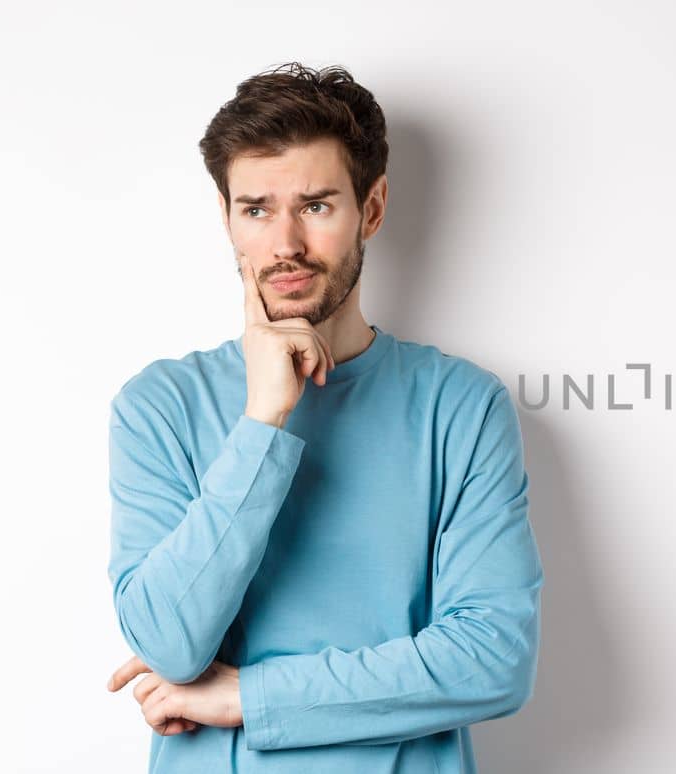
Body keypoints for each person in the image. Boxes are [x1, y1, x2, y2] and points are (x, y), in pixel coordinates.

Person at [102, 62, 543, 773]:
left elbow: (493, 659)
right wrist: (263, 419)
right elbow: (169, 643)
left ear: (371, 209)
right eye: (256, 210)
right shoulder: (160, 406)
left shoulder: (460, 405)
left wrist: (251, 698)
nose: (285, 246)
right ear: (226, 218)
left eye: (314, 206)